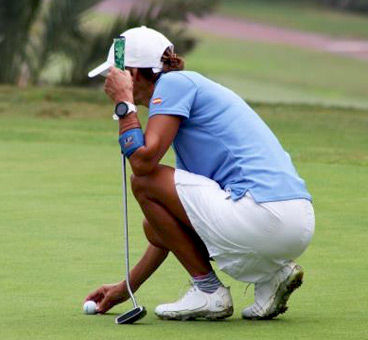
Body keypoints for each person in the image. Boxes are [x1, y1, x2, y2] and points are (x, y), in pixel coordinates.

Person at [84, 26, 315, 321]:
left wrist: (124, 105)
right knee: (153, 226)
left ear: (132, 73)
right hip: (294, 223)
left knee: (144, 181)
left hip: (262, 215)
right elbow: (168, 228)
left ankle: (209, 293)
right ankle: (273, 276)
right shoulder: (185, 96)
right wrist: (126, 287)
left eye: (113, 78)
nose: (109, 85)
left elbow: (142, 165)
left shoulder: (173, 85)